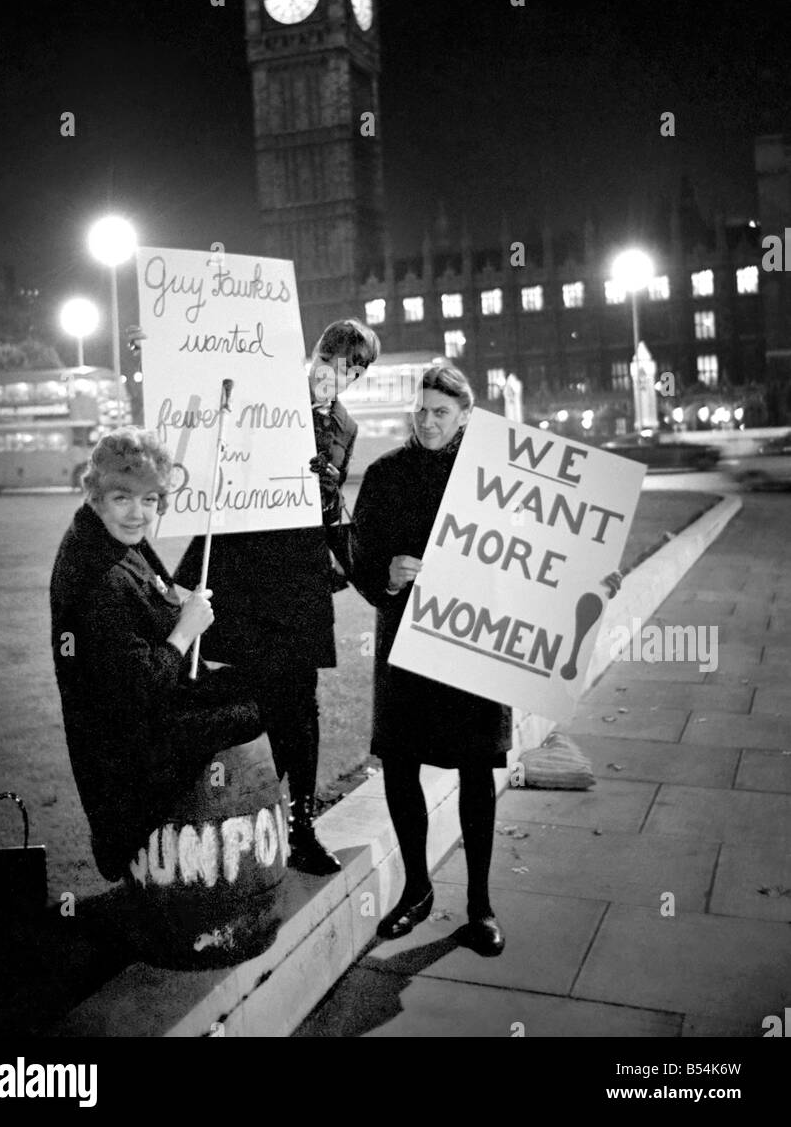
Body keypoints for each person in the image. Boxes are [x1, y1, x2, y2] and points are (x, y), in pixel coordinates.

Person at [350, 363, 622, 955]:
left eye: (440, 412)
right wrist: (386, 577)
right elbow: (360, 561)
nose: (427, 422)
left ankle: (480, 906)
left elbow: (544, 550)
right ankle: (417, 890)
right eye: (421, 410)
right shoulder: (385, 475)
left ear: (466, 415)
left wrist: (591, 574)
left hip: (478, 642)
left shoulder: (501, 476)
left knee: (476, 768)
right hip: (405, 644)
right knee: (401, 763)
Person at [175, 317, 381, 876]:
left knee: (302, 708)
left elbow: (330, 514)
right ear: (315, 354)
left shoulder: (345, 425)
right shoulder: (262, 399)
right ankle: (234, 821)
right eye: (331, 363)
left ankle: (301, 827)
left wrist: (330, 498)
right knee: (245, 700)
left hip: (300, 582)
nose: (336, 377)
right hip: (245, 577)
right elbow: (219, 466)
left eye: (351, 373)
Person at [50, 428, 260, 882]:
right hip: (131, 746)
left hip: (152, 710)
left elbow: (153, 599)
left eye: (149, 500)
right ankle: (191, 857)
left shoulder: (111, 538)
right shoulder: (97, 575)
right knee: (260, 707)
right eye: (122, 498)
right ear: (97, 495)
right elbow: (136, 690)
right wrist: (184, 631)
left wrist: (182, 609)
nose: (137, 513)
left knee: (273, 680)